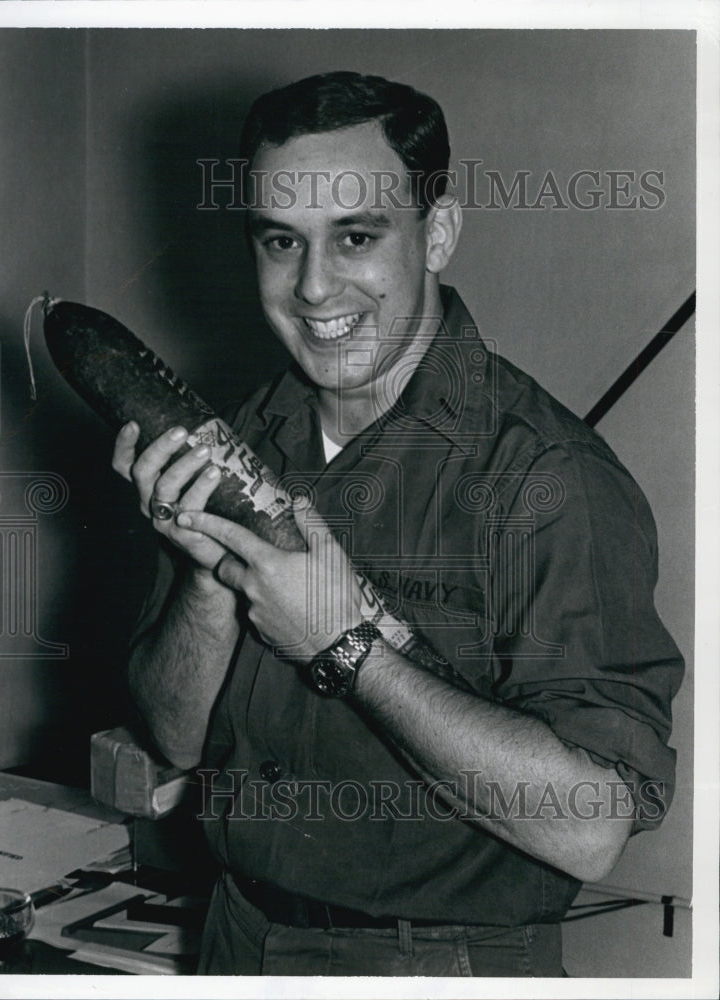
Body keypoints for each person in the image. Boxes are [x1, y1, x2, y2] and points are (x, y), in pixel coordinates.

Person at [112, 72, 683, 976]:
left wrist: (344, 644)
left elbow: (591, 828)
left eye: (355, 236)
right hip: (235, 935)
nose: (311, 286)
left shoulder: (547, 477)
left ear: (438, 234)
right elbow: (172, 739)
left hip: (435, 963)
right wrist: (202, 581)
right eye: (279, 241)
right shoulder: (248, 436)